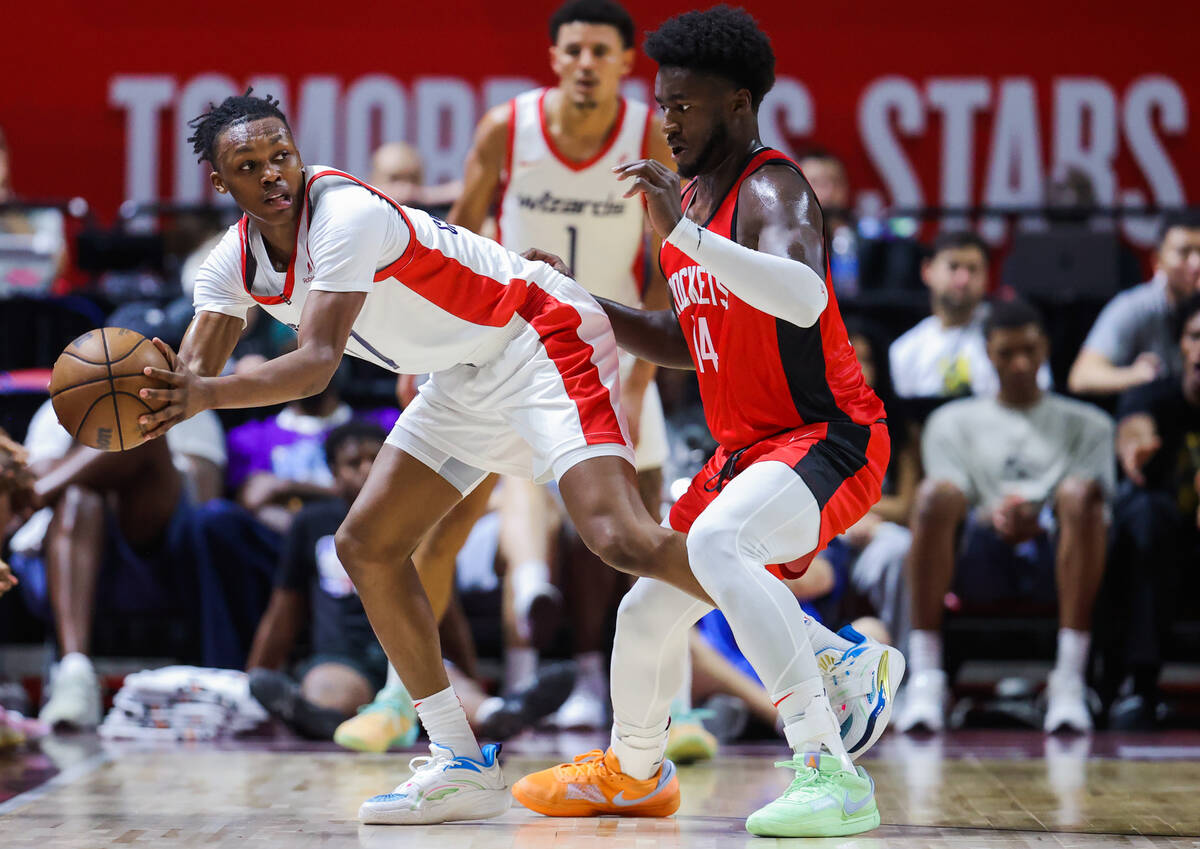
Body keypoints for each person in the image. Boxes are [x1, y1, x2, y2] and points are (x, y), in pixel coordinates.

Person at [512, 8, 901, 838]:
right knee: (645, 610)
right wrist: (580, 302)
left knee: (721, 547)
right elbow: (688, 337)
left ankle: (830, 769)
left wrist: (684, 233)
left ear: (738, 103)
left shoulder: (771, 186)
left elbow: (802, 296)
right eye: (663, 104)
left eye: (684, 105)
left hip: (828, 436)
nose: (667, 121)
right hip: (747, 448)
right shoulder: (693, 197)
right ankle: (635, 770)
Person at [442, 0, 676, 732]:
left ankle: (648, 692)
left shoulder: (648, 136)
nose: (585, 63)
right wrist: (443, 340)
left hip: (614, 345)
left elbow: (671, 257)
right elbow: (458, 230)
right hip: (514, 344)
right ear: (554, 58)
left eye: (600, 51)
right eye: (573, 49)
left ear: (625, 63)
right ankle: (524, 673)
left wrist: (639, 381)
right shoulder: (507, 127)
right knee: (516, 493)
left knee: (638, 523)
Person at [896, 299, 1114, 735]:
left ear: (1046, 349)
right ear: (987, 353)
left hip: (1058, 549)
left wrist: (1042, 521)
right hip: (979, 549)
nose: (1019, 364)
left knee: (1079, 496)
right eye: (1006, 353)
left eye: (1029, 352)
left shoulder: (1089, 423)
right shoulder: (950, 421)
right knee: (933, 495)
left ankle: (1069, 679)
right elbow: (953, 502)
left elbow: (1101, 513)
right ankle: (926, 676)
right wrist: (993, 518)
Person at [1100, 293, 1200, 728]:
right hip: (1163, 549)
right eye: (1197, 336)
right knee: (1144, 511)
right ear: (1181, 344)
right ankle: (1138, 688)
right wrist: (1135, 446)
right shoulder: (1153, 396)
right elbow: (1135, 427)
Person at [889, 230, 1052, 399]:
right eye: (953, 267)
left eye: (973, 269)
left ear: (987, 276)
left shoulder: (1012, 335)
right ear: (927, 271)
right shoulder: (905, 350)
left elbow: (1039, 396)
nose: (963, 279)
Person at [1067, 210, 1200, 396]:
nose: (1196, 264)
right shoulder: (1134, 306)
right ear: (1158, 260)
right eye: (1184, 252)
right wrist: (1135, 376)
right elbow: (1082, 377)